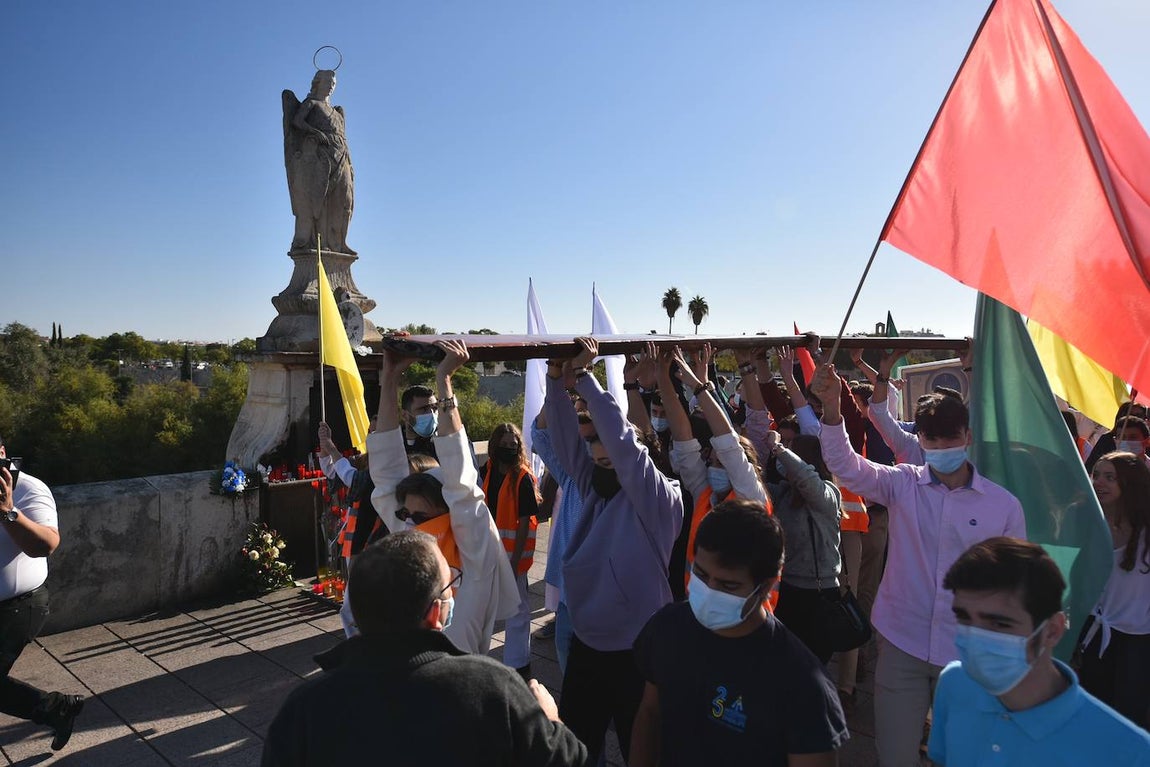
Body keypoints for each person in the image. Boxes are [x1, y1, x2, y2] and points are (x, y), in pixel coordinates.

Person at [810, 363, 1026, 767]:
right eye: (932, 437)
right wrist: (832, 410)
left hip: (967, 660)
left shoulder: (1003, 506)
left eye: (951, 436)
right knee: (894, 756)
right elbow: (845, 466)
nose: (943, 445)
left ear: (968, 436)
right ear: (920, 439)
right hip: (901, 647)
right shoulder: (902, 483)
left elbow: (1016, 587)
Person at [261, 531, 591, 766]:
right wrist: (550, 720)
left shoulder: (303, 711)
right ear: (436, 613)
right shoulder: (493, 688)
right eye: (451, 584)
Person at [543, 337, 683, 764]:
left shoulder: (659, 500)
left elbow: (624, 445)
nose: (599, 469)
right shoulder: (594, 489)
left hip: (637, 650)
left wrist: (584, 377)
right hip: (588, 643)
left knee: (640, 747)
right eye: (597, 460)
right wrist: (555, 381)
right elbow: (568, 446)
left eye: (610, 464)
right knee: (577, 747)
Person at [630, 499, 848, 767]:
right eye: (700, 573)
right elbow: (650, 712)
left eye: (728, 585)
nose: (709, 591)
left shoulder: (802, 683)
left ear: (767, 587)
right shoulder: (666, 628)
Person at [928, 537, 1150, 765]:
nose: (975, 637)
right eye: (964, 617)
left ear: (1052, 631)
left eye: (999, 624)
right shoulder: (954, 683)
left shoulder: (1131, 752)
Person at [366, 341, 519, 654]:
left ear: (448, 514)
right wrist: (390, 379)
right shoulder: (414, 539)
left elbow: (463, 487)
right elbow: (384, 477)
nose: (409, 525)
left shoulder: (474, 560)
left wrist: (444, 382)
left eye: (421, 518)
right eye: (405, 516)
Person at [0, 438, 84, 750]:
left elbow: (45, 545)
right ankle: (57, 709)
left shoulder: (30, 490)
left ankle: (56, 708)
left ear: (2, 453)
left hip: (19, 606)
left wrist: (8, 511)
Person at [1077, 451, 1150, 728]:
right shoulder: (1089, 525)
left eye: (1110, 477)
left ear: (1130, 484)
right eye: (1096, 475)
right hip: (1093, 635)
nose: (1099, 482)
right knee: (1092, 712)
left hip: (1138, 641)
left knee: (1127, 718)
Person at [762, 432, 844, 664]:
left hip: (819, 595)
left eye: (791, 449)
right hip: (787, 590)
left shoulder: (828, 493)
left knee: (814, 663)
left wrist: (778, 448)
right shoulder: (783, 493)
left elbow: (806, 479)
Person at [479, 423, 540, 679]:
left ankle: (518, 662)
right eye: (503, 446)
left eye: (512, 446)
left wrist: (515, 560)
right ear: (494, 447)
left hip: (513, 556)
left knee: (518, 610)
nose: (508, 450)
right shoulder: (487, 471)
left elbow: (526, 521)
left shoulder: (523, 477)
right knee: (485, 607)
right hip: (489, 551)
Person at [282, 68, 355, 254]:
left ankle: (340, 242)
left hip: (342, 157)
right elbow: (297, 122)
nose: (331, 87)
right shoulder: (311, 103)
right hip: (322, 159)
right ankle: (320, 243)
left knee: (345, 201)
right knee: (321, 201)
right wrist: (315, 132)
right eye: (327, 83)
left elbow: (344, 138)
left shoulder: (337, 112)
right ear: (318, 83)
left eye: (333, 84)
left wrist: (350, 164)